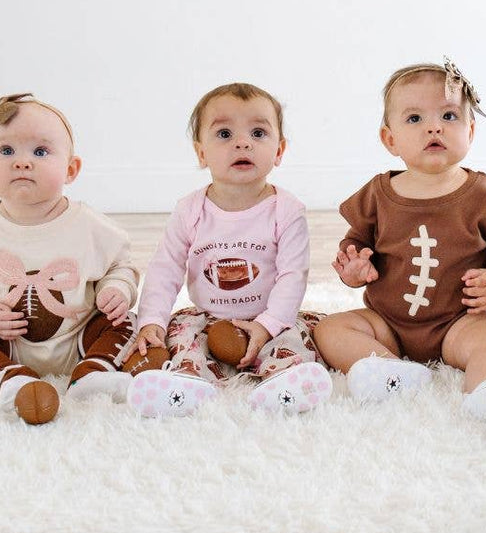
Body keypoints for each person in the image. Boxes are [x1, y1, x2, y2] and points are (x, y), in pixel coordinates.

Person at [313, 59, 486, 420]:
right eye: (415, 119)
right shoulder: (377, 195)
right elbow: (354, 246)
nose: (434, 127)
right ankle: (389, 370)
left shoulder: (485, 195)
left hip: (460, 323)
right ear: (390, 139)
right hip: (388, 324)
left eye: (448, 116)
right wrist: (353, 269)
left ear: (470, 131)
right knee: (331, 329)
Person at [127, 82, 332, 417]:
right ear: (201, 152)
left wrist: (267, 325)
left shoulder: (287, 210)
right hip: (209, 317)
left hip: (269, 316)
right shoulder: (190, 210)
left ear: (279, 150)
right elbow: (165, 269)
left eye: (258, 133)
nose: (242, 142)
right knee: (181, 339)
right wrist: (151, 320)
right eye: (224, 134)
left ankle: (285, 381)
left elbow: (293, 276)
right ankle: (188, 383)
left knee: (294, 340)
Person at [0, 93, 139, 422]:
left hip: (80, 339)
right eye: (6, 150)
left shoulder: (89, 226)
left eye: (40, 151)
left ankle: (92, 373)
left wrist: (117, 290)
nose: (22, 162)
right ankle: (11, 380)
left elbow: (121, 266)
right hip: (6, 343)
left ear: (71, 169)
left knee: (127, 322)